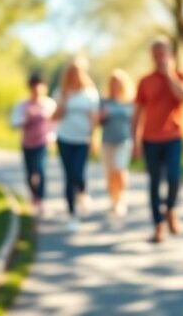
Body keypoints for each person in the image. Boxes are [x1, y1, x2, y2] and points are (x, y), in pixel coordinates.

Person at [132, 38, 183, 243]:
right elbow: (138, 112)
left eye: (163, 53)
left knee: (174, 178)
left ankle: (171, 210)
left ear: (171, 53)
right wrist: (135, 140)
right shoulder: (145, 81)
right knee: (154, 182)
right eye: (156, 54)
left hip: (173, 137)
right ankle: (158, 225)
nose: (159, 58)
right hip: (150, 139)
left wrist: (169, 75)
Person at [52, 57, 100, 233]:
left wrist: (94, 138)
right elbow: (54, 117)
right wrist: (63, 101)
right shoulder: (61, 91)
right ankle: (72, 215)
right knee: (68, 176)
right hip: (64, 138)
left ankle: (82, 192)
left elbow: (94, 119)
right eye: (71, 72)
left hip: (82, 140)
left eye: (77, 72)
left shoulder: (90, 93)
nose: (74, 75)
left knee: (78, 174)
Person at [11, 72, 57, 217]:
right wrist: (26, 118)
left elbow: (54, 124)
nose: (36, 90)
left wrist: (52, 137)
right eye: (34, 87)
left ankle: (41, 201)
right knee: (30, 173)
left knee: (40, 170)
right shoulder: (22, 105)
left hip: (42, 143)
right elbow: (15, 123)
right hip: (27, 143)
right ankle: (34, 196)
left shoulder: (49, 104)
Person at [99, 69, 135, 218]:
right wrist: (102, 115)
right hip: (107, 141)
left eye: (118, 82)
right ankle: (113, 200)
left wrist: (137, 142)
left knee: (120, 170)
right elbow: (97, 121)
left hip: (124, 140)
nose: (115, 85)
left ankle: (121, 199)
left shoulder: (130, 102)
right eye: (113, 82)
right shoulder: (104, 101)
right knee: (110, 173)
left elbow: (135, 122)